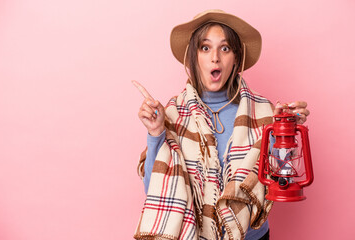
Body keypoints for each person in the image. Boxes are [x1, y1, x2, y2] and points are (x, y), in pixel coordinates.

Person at [133, 9, 310, 240]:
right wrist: (156, 132)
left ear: (236, 58)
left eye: (224, 48)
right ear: (194, 58)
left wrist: (284, 132)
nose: (215, 57)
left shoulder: (264, 112)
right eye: (205, 48)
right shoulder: (173, 113)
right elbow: (155, 190)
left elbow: (282, 180)